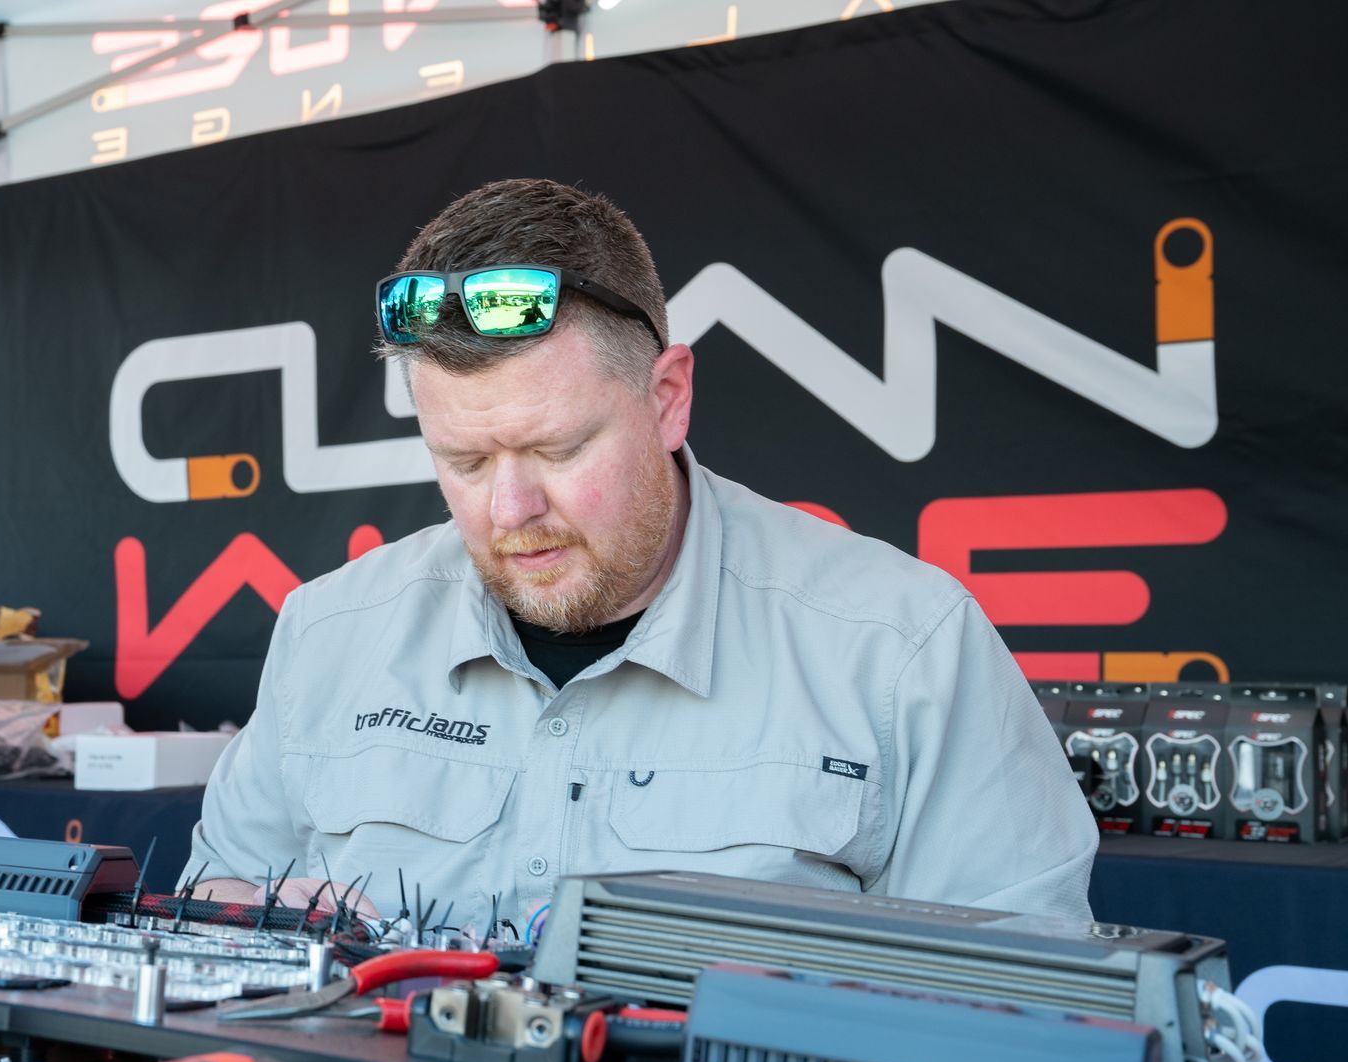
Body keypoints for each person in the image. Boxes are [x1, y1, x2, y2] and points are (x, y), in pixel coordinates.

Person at [180, 178, 1096, 927]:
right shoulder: (330, 632)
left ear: (668, 398)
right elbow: (204, 924)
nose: (511, 509)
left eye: (559, 449)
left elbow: (1033, 1009)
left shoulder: (902, 648)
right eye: (462, 460)